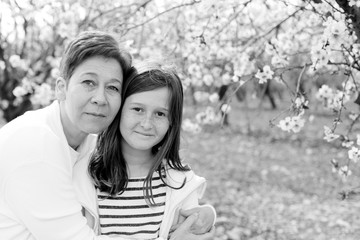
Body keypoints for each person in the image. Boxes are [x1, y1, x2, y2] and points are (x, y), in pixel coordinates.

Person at [0, 31, 212, 240]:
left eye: (112, 87)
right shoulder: (37, 146)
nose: (100, 98)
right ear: (61, 88)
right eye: (89, 83)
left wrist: (207, 216)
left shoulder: (84, 145)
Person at [87, 60, 216, 239]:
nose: (147, 124)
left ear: (172, 121)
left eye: (160, 114)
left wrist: (208, 216)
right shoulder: (85, 172)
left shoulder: (179, 182)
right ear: (119, 109)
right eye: (138, 109)